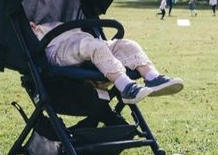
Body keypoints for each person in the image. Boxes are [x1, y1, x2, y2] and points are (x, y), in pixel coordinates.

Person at [30, 21, 183, 105]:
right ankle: (126, 88)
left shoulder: (64, 13)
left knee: (128, 45)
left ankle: (152, 77)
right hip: (59, 50)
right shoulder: (35, 28)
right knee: (94, 46)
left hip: (85, 40)